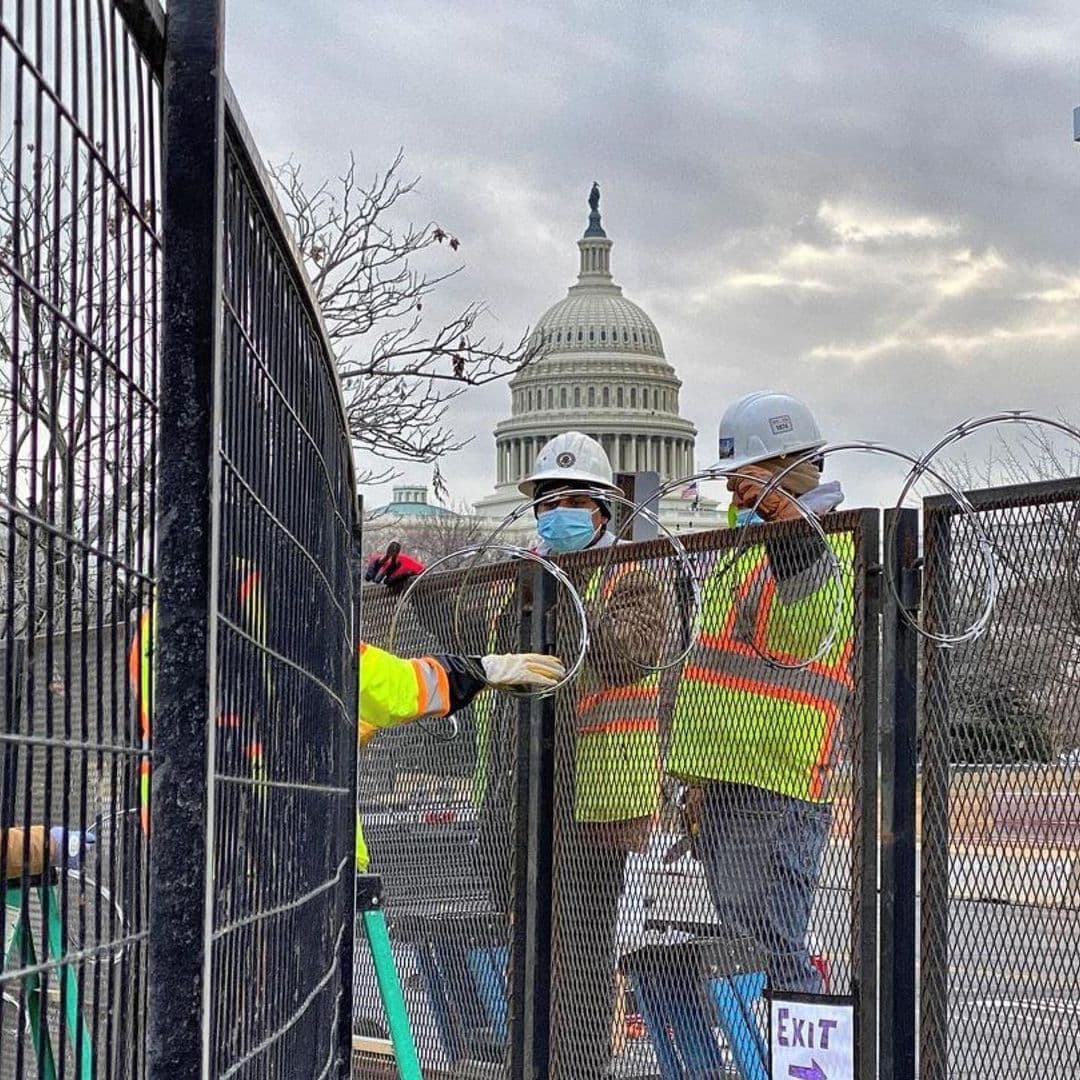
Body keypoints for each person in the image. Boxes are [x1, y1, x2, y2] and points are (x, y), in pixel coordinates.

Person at [367, 430, 670, 1079]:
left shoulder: (632, 575)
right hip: (517, 790)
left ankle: (578, 1066)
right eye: (547, 503)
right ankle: (529, 1059)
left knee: (580, 945)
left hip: (593, 800)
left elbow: (627, 655)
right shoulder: (525, 577)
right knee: (525, 938)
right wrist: (424, 588)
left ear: (602, 509)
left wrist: (562, 600)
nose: (556, 515)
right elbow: (479, 645)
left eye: (572, 502)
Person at [666, 391, 853, 994]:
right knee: (745, 950)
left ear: (785, 472)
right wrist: (696, 777)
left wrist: (792, 538)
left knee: (771, 950)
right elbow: (712, 673)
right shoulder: (741, 554)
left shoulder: (832, 547)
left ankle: (797, 1039)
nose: (734, 495)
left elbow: (805, 633)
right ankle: (765, 1039)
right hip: (727, 777)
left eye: (745, 481)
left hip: (778, 780)